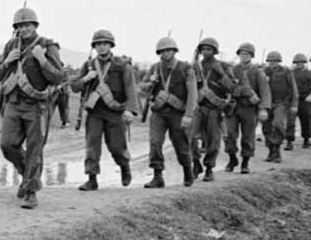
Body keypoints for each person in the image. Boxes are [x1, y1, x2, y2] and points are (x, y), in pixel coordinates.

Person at [0, 6, 65, 209]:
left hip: (37, 106)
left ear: (35, 26)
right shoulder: (10, 46)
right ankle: (26, 175)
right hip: (14, 104)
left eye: (28, 25)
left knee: (35, 149)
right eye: (20, 25)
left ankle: (31, 191)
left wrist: (42, 59)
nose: (24, 29)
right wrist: (8, 61)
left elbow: (59, 77)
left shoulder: (47, 45)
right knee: (7, 145)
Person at [70, 29, 138, 191]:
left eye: (104, 44)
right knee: (92, 145)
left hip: (115, 112)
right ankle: (91, 179)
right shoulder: (88, 65)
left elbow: (130, 89)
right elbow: (74, 86)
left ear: (110, 45)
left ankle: (124, 167)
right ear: (94, 47)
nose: (101, 47)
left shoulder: (122, 65)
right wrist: (87, 78)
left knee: (116, 146)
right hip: (95, 113)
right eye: (98, 44)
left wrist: (130, 110)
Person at [141, 37, 198, 187]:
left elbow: (192, 93)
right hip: (159, 112)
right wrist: (150, 82)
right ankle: (157, 176)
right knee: (155, 143)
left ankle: (188, 171)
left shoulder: (186, 69)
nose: (166, 53)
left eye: (169, 50)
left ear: (174, 51)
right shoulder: (154, 68)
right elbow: (141, 87)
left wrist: (188, 115)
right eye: (163, 51)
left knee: (181, 145)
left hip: (177, 113)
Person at [189, 38, 236, 180]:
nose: (205, 52)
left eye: (208, 49)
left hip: (215, 109)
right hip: (199, 107)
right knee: (190, 137)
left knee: (213, 141)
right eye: (203, 49)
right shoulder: (196, 66)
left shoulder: (224, 66)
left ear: (215, 51)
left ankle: (209, 168)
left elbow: (232, 88)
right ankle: (196, 163)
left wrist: (221, 73)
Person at [223, 42, 271, 173]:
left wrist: (263, 109)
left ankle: (245, 162)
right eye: (242, 54)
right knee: (229, 134)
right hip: (233, 106)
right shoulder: (233, 70)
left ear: (251, 56)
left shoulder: (258, 72)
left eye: (247, 54)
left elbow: (265, 91)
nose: (244, 56)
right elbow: (226, 86)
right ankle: (232, 158)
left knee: (248, 136)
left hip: (249, 108)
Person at [260, 51, 298, 162]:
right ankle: (271, 150)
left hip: (281, 102)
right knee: (266, 127)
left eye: (275, 61)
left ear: (279, 61)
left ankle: (277, 148)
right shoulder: (263, 72)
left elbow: (293, 88)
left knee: (278, 123)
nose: (272, 63)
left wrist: (294, 104)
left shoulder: (286, 71)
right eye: (270, 61)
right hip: (266, 103)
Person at [290, 53, 311, 148]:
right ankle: (289, 140)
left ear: (304, 62)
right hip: (293, 99)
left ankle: (306, 139)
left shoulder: (310, 73)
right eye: (297, 62)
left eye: (301, 62)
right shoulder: (291, 73)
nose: (299, 64)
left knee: (306, 119)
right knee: (290, 121)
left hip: (305, 99)